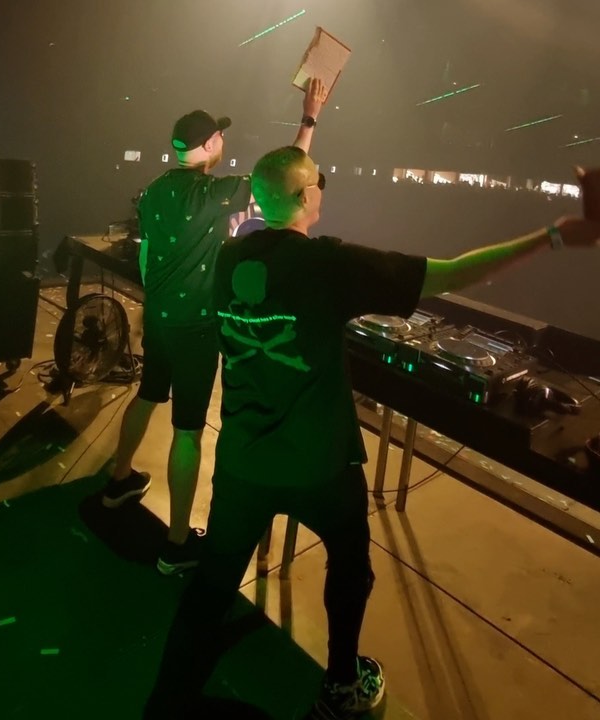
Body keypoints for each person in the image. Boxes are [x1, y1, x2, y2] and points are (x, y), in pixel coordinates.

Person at [143, 145, 600, 719]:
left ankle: (167, 700)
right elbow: (452, 273)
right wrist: (552, 237)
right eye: (318, 183)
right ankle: (340, 685)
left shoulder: (229, 256)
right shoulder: (329, 264)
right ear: (307, 196)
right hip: (319, 465)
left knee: (211, 586)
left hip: (242, 462)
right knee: (350, 568)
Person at [101, 80, 329, 576]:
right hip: (195, 329)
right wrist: (309, 118)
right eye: (220, 136)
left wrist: (154, 305)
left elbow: (145, 257)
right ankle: (177, 544)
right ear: (206, 146)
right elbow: (283, 176)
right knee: (187, 431)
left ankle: (119, 480)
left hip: (160, 315)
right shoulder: (210, 193)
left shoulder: (155, 189)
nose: (224, 141)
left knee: (147, 395)